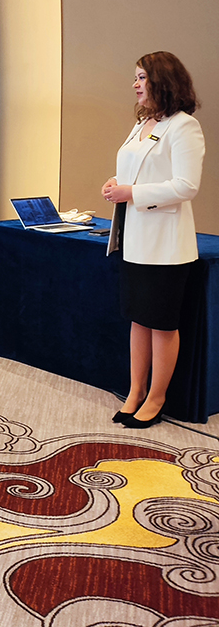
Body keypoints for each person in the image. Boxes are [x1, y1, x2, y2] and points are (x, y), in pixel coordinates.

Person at [101, 51, 205, 429]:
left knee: (161, 322)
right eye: (136, 77)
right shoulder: (143, 123)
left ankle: (156, 398)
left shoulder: (184, 126)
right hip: (134, 238)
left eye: (142, 77)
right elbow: (135, 170)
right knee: (139, 319)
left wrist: (131, 192)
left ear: (163, 80)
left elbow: (186, 186)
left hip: (165, 243)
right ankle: (135, 391)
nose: (135, 85)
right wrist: (116, 183)